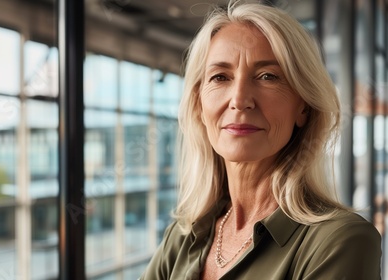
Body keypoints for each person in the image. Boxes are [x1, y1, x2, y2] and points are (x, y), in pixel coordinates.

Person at [140, 2, 382, 280]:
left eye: (267, 76)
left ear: (303, 107)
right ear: (199, 107)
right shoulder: (182, 235)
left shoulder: (340, 241)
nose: (240, 100)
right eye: (220, 77)